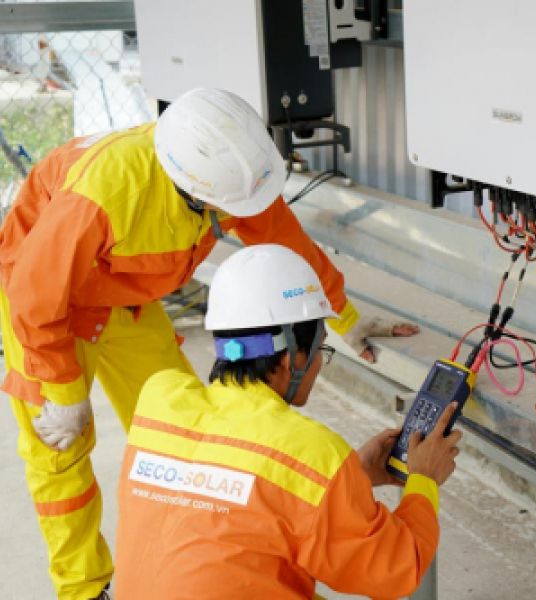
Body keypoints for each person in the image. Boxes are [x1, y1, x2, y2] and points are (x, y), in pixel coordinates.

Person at [0, 88, 416, 600]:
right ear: (190, 188)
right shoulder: (104, 194)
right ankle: (84, 590)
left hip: (123, 295)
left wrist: (344, 316)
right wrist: (62, 390)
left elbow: (285, 243)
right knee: (59, 450)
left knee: (182, 429)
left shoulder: (223, 168)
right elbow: (36, 293)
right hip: (43, 299)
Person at [114, 244, 460, 599]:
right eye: (321, 350)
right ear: (292, 358)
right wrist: (424, 479)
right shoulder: (311, 453)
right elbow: (394, 570)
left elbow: (234, 494)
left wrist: (350, 478)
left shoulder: (160, 401)